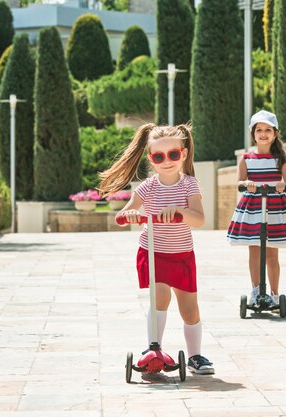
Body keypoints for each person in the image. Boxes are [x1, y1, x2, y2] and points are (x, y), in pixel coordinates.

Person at [99, 123, 215, 375]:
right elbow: (126, 211)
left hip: (182, 254)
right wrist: (129, 214)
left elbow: (199, 219)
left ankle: (195, 356)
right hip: (154, 253)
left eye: (173, 154)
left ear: (183, 154)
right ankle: (154, 350)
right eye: (159, 156)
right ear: (151, 159)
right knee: (159, 297)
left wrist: (181, 212)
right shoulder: (147, 187)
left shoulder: (189, 185)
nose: (167, 161)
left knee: (189, 308)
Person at [227, 110, 286, 306]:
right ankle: (256, 290)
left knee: (272, 253)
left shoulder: (280, 158)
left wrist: (284, 185)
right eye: (259, 130)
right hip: (253, 208)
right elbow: (240, 181)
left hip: (274, 207)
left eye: (268, 130)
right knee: (254, 251)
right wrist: (247, 183)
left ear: (275, 133)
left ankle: (274, 294)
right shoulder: (247, 158)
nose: (263, 134)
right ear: (253, 133)